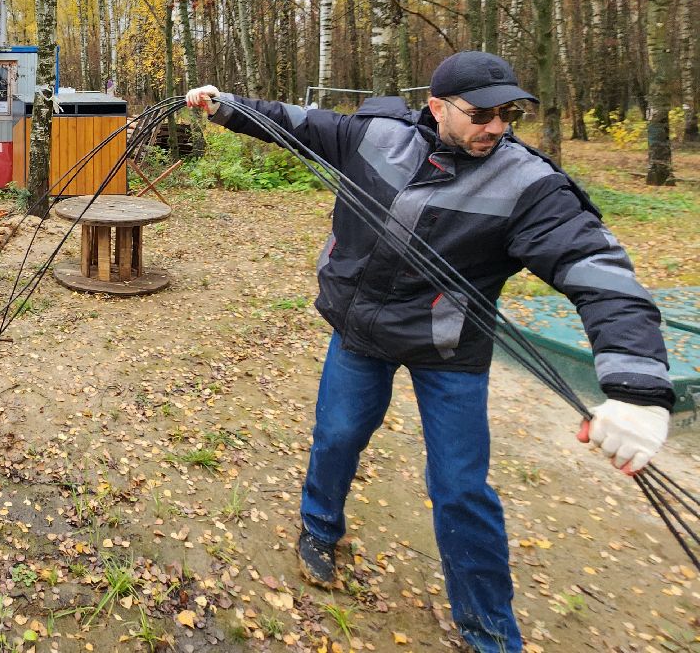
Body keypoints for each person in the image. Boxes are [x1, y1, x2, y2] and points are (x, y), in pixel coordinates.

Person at [186, 51, 673, 653]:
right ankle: (318, 527)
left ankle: (489, 631)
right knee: (336, 436)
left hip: (450, 349)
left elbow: (597, 269)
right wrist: (227, 107)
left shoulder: (529, 185)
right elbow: (297, 122)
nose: (497, 127)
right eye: (482, 114)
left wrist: (636, 388)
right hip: (361, 331)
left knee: (462, 488)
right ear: (437, 107)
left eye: (509, 113)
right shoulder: (376, 138)